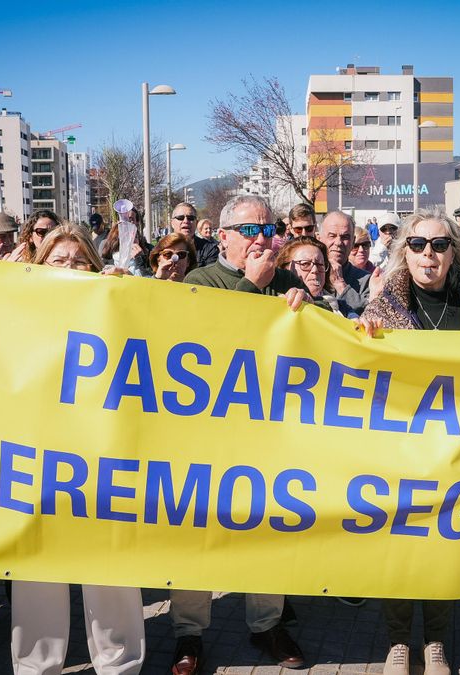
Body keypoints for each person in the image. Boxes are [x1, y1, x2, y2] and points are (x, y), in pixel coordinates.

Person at [356, 210, 460, 675]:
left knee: (444, 546)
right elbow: (356, 365)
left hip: (458, 449)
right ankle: (399, 642)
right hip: (400, 450)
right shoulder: (383, 308)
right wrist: (358, 339)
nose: (428, 254)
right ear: (404, 251)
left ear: (454, 251)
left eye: (439, 245)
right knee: (399, 548)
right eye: (417, 245)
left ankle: (435, 642)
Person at [173, 195, 306, 674]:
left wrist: (304, 307)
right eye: (251, 230)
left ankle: (266, 625)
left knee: (266, 526)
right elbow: (206, 347)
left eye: (269, 230)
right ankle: (189, 633)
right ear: (223, 235)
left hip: (267, 431)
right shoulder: (199, 280)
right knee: (197, 532)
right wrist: (252, 287)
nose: (263, 239)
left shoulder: (287, 281)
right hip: (206, 433)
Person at [9, 227, 145, 675]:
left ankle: (119, 663)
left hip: (102, 455)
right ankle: (35, 667)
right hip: (37, 456)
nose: (69, 267)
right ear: (40, 264)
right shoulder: (18, 309)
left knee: (109, 566)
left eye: (78, 259)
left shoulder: (115, 301)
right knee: (37, 572)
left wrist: (130, 294)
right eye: (58, 259)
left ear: (95, 264)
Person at [319, 211, 372, 316]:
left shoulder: (366, 281)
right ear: (319, 239)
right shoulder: (305, 274)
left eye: (345, 237)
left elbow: (369, 315)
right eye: (332, 236)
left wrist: (341, 286)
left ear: (353, 241)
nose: (338, 242)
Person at [276, 236, 338, 313]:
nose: (315, 270)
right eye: (305, 264)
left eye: (320, 265)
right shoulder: (274, 300)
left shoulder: (343, 308)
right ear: (286, 268)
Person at [170, 202, 219, 266]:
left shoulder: (210, 249)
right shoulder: (162, 248)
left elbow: (209, 275)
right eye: (180, 217)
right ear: (172, 223)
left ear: (196, 223)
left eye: (190, 218)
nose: (186, 221)